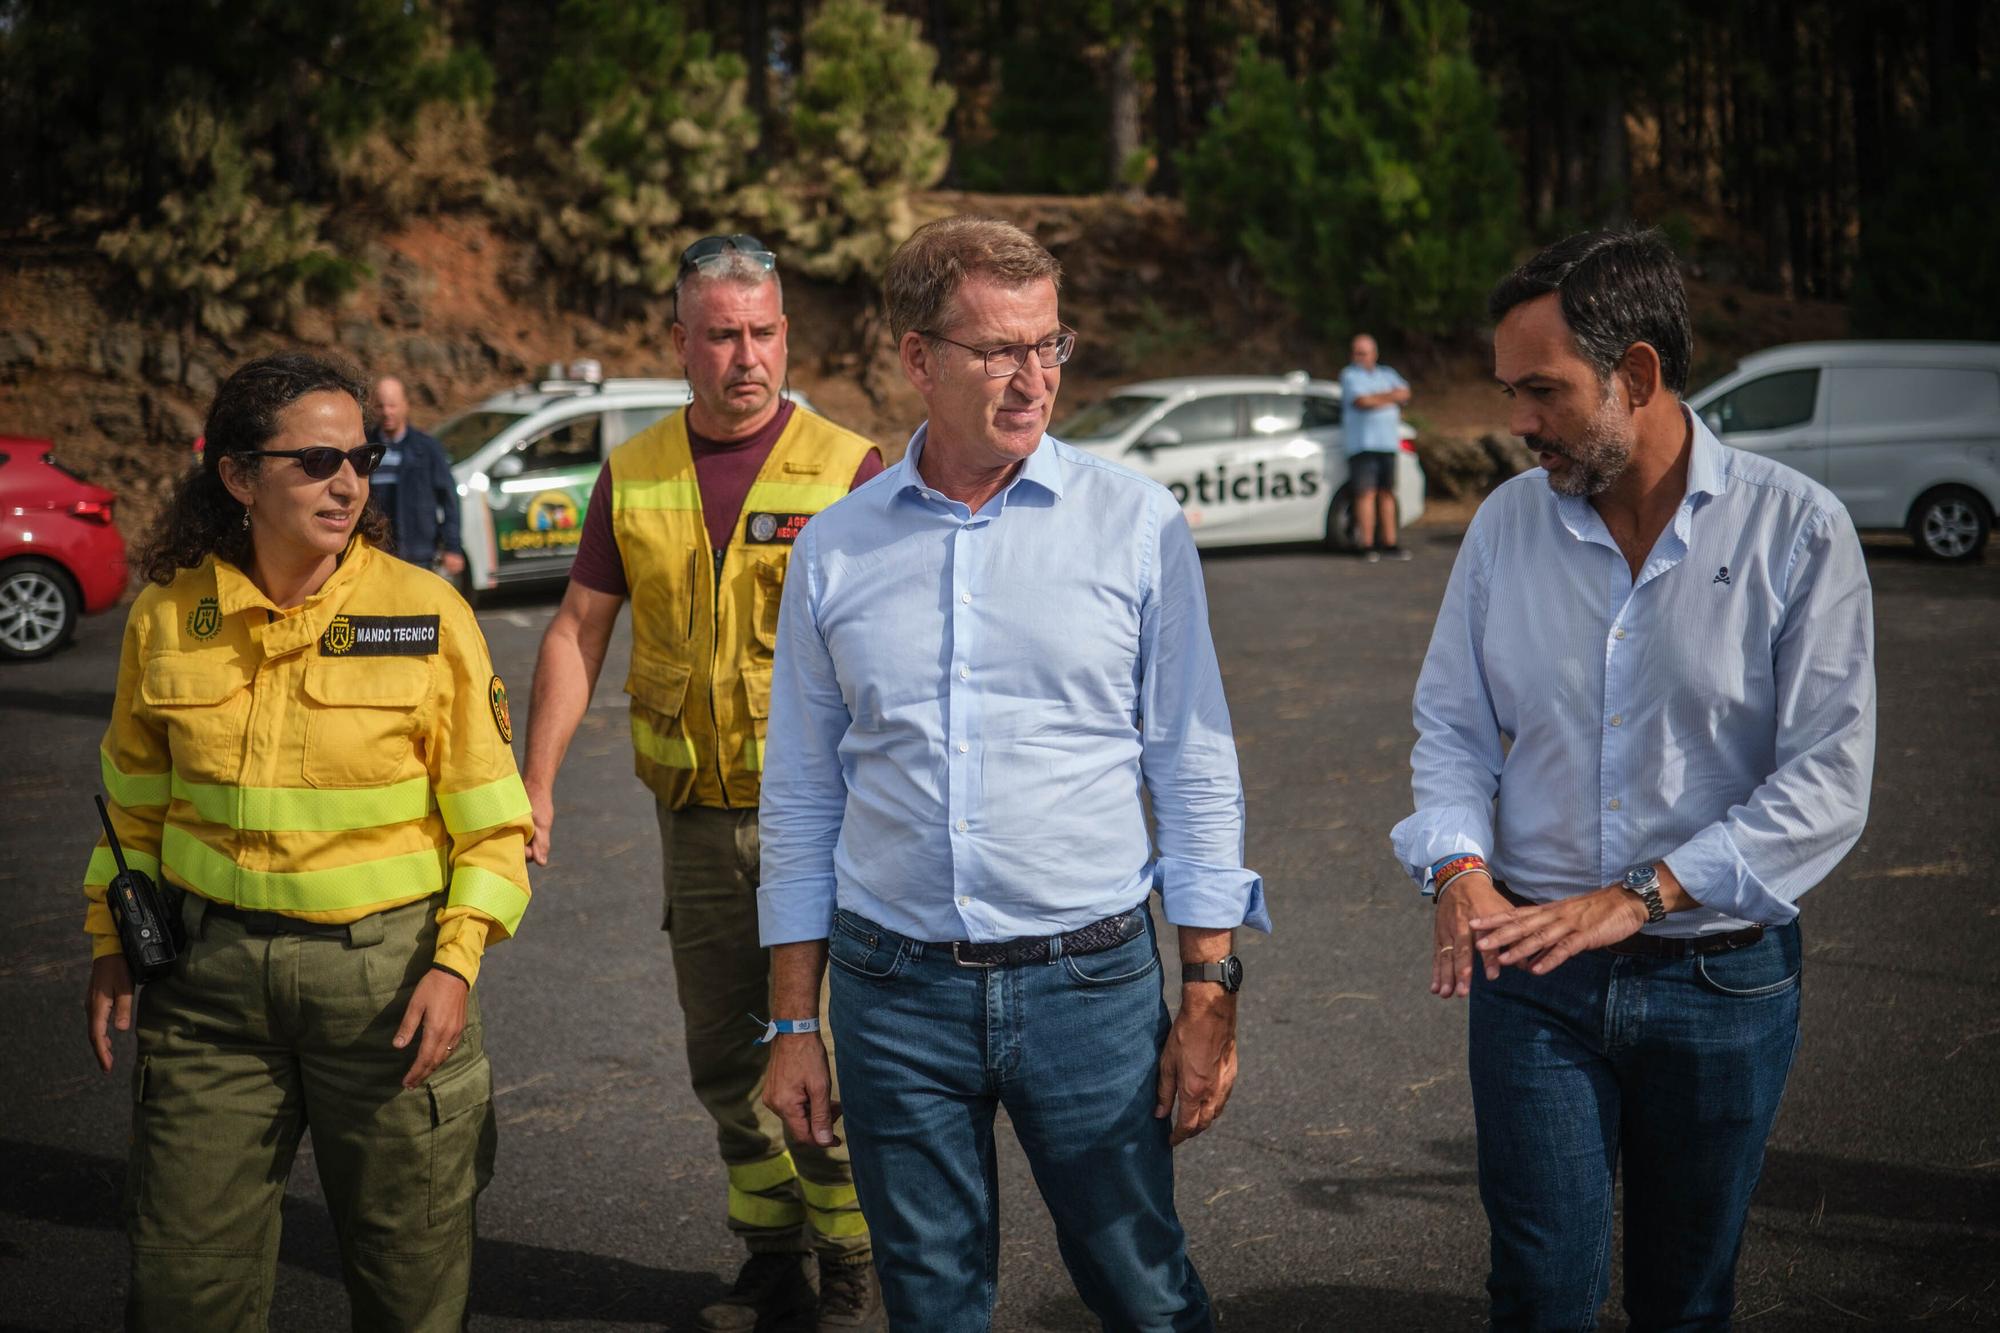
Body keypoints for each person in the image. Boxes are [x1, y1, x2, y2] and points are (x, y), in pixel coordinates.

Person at [758, 215, 1269, 1332]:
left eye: (1048, 344)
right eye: (998, 350)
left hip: (1088, 989)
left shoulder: (1133, 525)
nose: (1032, 377)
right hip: (893, 995)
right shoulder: (833, 550)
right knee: (932, 1305)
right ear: (915, 359)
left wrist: (1208, 984)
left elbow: (1192, 766)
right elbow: (798, 796)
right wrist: (792, 1022)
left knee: (1141, 1287)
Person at [1391, 228, 1875, 1330]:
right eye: (1507, 390)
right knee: (1539, 1290)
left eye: (1541, 391)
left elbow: (1826, 782)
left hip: (1720, 981)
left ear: (1638, 373)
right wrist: (1457, 866)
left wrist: (1639, 896)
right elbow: (1451, 729)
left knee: (1684, 1297)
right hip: (1530, 980)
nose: (1514, 422)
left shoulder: (1795, 532)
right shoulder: (1504, 529)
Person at [82, 351, 534, 1329]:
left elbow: (496, 826)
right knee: (181, 1290)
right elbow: (130, 810)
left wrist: (455, 965)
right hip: (203, 993)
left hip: (389, 992)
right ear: (238, 475)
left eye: (361, 458)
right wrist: (109, 937)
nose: (348, 483)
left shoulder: (425, 617)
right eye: (317, 459)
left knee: (409, 1288)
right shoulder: (168, 617)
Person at [520, 235, 885, 1332]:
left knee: (829, 1052)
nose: (745, 355)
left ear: (786, 333)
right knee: (724, 1058)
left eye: (763, 330)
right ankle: (768, 1251)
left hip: (830, 829)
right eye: (720, 333)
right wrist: (532, 785)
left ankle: (853, 1259)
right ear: (677, 341)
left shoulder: (848, 467)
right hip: (697, 825)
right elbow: (579, 630)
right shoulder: (630, 475)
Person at [367, 374, 466, 578]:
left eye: (392, 406)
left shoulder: (427, 449)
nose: (387, 413)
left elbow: (449, 501)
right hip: (375, 553)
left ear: (405, 405)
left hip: (418, 554)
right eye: (380, 406)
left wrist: (453, 547)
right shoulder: (365, 449)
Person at [1337, 333, 1413, 561]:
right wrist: (1391, 398)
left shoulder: (1387, 373)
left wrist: (1377, 399)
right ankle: (1366, 543)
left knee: (1387, 493)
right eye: (1356, 352)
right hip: (1363, 445)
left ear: (1374, 353)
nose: (1359, 357)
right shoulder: (1349, 375)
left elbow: (1405, 393)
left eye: (1364, 352)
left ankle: (1389, 542)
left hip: (1387, 444)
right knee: (1365, 494)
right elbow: (1362, 401)